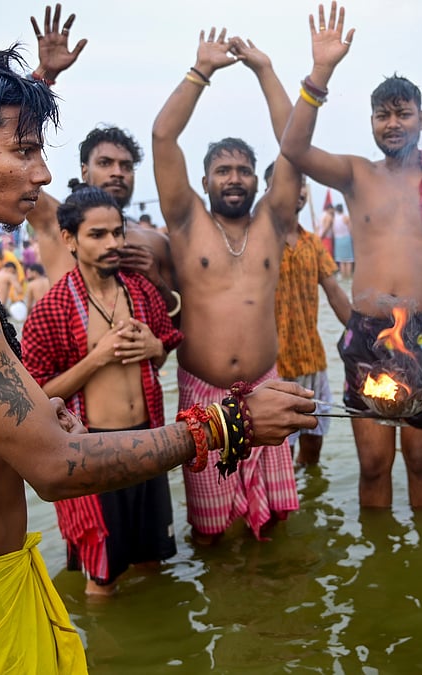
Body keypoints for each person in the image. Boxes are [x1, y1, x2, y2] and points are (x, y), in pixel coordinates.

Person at [0, 30, 316, 672]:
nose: (40, 172)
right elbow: (58, 467)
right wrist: (230, 423)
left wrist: (45, 403)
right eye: (25, 151)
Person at [281, 3, 422, 509]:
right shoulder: (358, 175)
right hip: (369, 335)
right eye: (383, 114)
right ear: (372, 121)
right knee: (374, 465)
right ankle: (377, 576)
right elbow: (294, 148)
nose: (393, 123)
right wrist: (319, 74)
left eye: (403, 113)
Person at [152, 31, 306, 544]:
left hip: (267, 385)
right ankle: (224, 616)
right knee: (213, 531)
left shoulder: (273, 220)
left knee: (275, 524)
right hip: (203, 396)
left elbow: (295, 145)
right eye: (223, 170)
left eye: (243, 170)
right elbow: (162, 138)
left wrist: (265, 69)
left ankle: (270, 608)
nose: (235, 178)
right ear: (205, 178)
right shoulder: (185, 219)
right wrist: (202, 72)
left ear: (257, 181)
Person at [22, 185, 183, 596]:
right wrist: (98, 358)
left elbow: (164, 347)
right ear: (69, 239)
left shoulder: (142, 291)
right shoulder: (50, 308)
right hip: (94, 453)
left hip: (150, 440)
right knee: (103, 581)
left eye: (118, 232)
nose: (113, 243)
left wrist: (155, 347)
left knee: (153, 560)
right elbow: (36, 396)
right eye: (98, 234)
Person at [21, 10, 178, 317]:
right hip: (71, 364)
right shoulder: (55, 220)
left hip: (138, 363)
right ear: (84, 170)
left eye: (126, 165)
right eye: (105, 162)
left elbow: (176, 321)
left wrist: (156, 281)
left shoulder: (154, 242)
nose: (117, 172)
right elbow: (12, 162)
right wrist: (42, 78)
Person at [266, 163, 352, 466]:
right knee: (278, 452)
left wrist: (366, 335)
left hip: (312, 360)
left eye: (302, 183)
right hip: (270, 367)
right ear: (268, 191)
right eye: (289, 182)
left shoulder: (313, 243)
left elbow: (336, 294)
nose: (298, 189)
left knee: (313, 445)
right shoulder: (257, 240)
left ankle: (309, 501)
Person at [331, 203, 354, 279]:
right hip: (346, 238)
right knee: (348, 260)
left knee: (341, 260)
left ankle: (344, 277)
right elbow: (351, 229)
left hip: (338, 240)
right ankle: (348, 277)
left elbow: (333, 231)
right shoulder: (346, 218)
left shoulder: (334, 219)